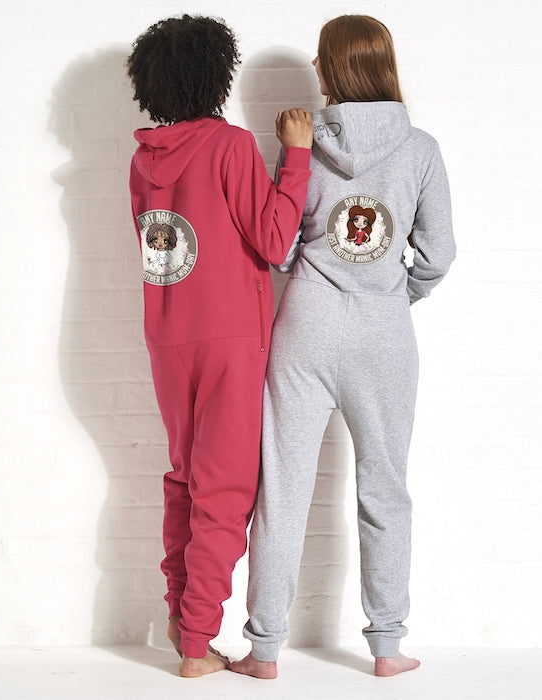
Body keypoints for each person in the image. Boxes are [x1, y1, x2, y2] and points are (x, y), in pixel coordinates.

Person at [230, 14, 456, 679]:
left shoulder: (302, 143)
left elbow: (281, 250)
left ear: (329, 69)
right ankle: (387, 648)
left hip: (304, 329)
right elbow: (438, 255)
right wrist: (391, 295)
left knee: (283, 490)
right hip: (383, 338)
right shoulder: (421, 150)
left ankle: (264, 651)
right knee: (385, 490)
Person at [126, 14, 314, 678]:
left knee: (185, 479)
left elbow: (161, 246)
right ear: (215, 75)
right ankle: (198, 645)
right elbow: (274, 240)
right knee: (225, 490)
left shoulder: (143, 159)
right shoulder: (230, 146)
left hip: (167, 336)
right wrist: (296, 158)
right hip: (228, 336)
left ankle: (184, 620)